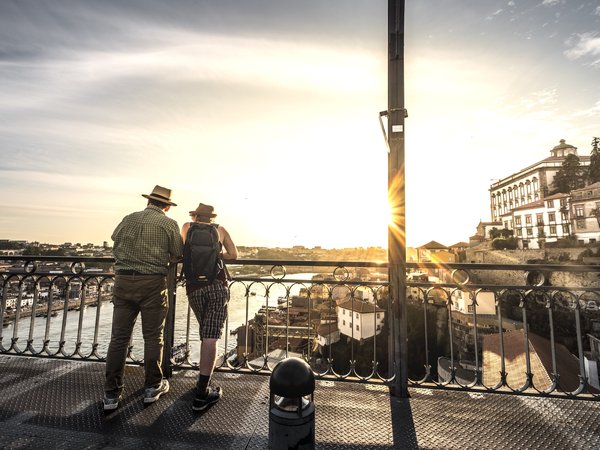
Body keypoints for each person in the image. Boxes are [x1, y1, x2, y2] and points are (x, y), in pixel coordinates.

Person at [103, 185, 184, 412]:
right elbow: (178, 254)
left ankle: (111, 394)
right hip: (152, 283)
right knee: (153, 336)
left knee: (119, 338)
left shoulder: (128, 219)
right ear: (167, 206)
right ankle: (152, 387)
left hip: (123, 281)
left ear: (149, 201)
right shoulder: (168, 224)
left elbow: (115, 241)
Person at [181, 203, 237, 411]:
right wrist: (216, 255)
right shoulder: (220, 230)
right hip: (216, 287)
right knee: (212, 336)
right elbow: (234, 255)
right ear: (211, 218)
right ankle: (202, 391)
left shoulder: (187, 227)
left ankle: (202, 382)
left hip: (194, 288)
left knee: (205, 333)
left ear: (195, 216)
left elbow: (182, 253)